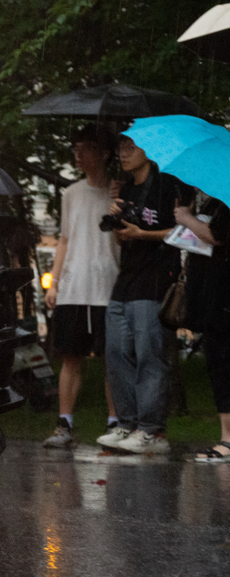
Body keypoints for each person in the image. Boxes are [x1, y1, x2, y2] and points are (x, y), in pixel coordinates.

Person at [98, 134, 186, 455]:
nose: (124, 153)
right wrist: (120, 222)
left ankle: (153, 431)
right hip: (127, 278)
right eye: (120, 146)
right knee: (116, 350)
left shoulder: (166, 186)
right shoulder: (126, 189)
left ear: (150, 150)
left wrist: (143, 233)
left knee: (150, 353)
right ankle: (127, 423)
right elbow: (122, 240)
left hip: (156, 279)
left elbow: (183, 231)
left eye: (130, 147)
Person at [43, 129, 119, 449]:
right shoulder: (71, 192)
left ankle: (116, 424)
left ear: (104, 153)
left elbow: (123, 238)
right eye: (75, 148)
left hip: (109, 284)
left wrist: (118, 205)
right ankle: (64, 424)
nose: (78, 155)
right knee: (70, 357)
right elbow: (64, 239)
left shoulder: (120, 192)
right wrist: (55, 281)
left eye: (86, 148)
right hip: (74, 285)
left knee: (112, 359)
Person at [177, 190, 230, 463]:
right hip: (214, 297)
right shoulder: (215, 199)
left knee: (221, 363)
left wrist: (186, 218)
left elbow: (217, 234)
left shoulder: (225, 198)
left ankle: (228, 439)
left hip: (222, 299)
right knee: (218, 362)